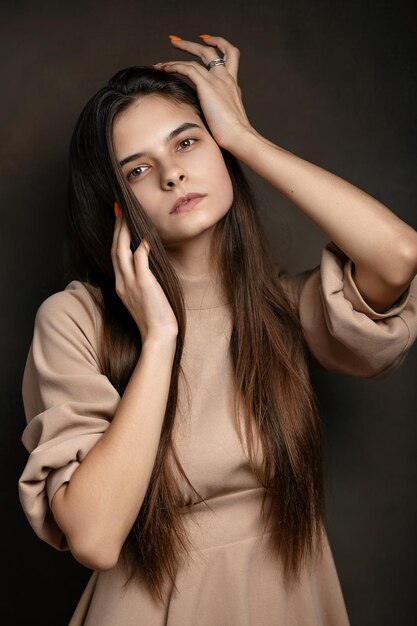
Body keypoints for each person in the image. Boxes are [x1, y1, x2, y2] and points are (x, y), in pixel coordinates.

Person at [18, 33, 417, 625]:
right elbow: (96, 540)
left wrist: (244, 138)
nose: (174, 175)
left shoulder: (277, 305)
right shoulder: (75, 319)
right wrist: (159, 339)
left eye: (188, 143)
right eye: (139, 169)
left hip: (290, 595)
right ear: (115, 205)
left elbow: (399, 255)